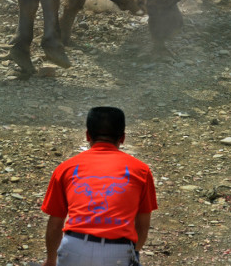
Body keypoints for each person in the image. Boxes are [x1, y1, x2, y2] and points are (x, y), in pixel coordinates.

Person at [40, 107, 157, 266]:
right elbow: (142, 226)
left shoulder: (65, 168)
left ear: (88, 135)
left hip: (74, 246)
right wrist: (132, 252)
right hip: (118, 250)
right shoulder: (141, 171)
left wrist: (51, 260)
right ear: (122, 138)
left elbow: (55, 223)